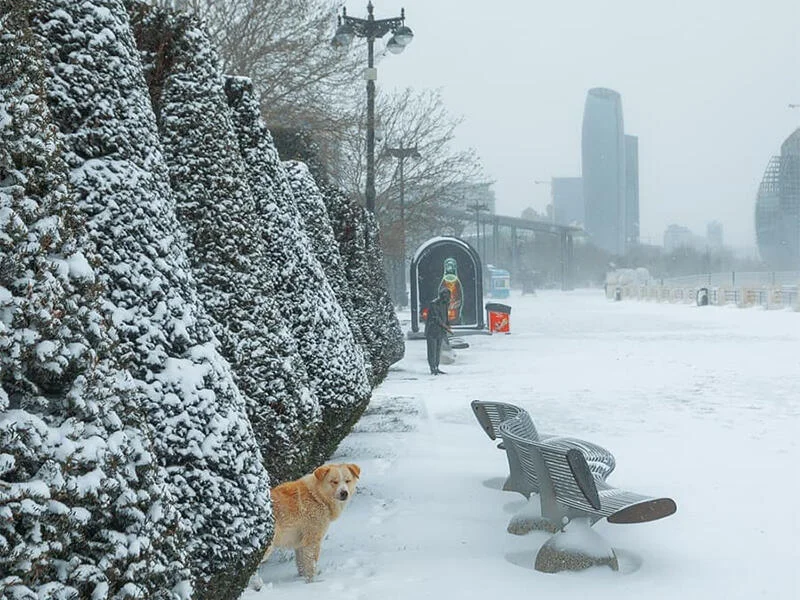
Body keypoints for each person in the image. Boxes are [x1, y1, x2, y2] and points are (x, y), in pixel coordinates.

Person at [425, 288, 452, 375]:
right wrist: (445, 326)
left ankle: (436, 366)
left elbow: (445, 316)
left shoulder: (445, 304)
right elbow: (436, 318)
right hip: (432, 330)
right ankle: (432, 368)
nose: (447, 298)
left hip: (440, 331)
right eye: (446, 295)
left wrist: (447, 324)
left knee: (437, 350)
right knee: (432, 350)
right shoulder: (434, 304)